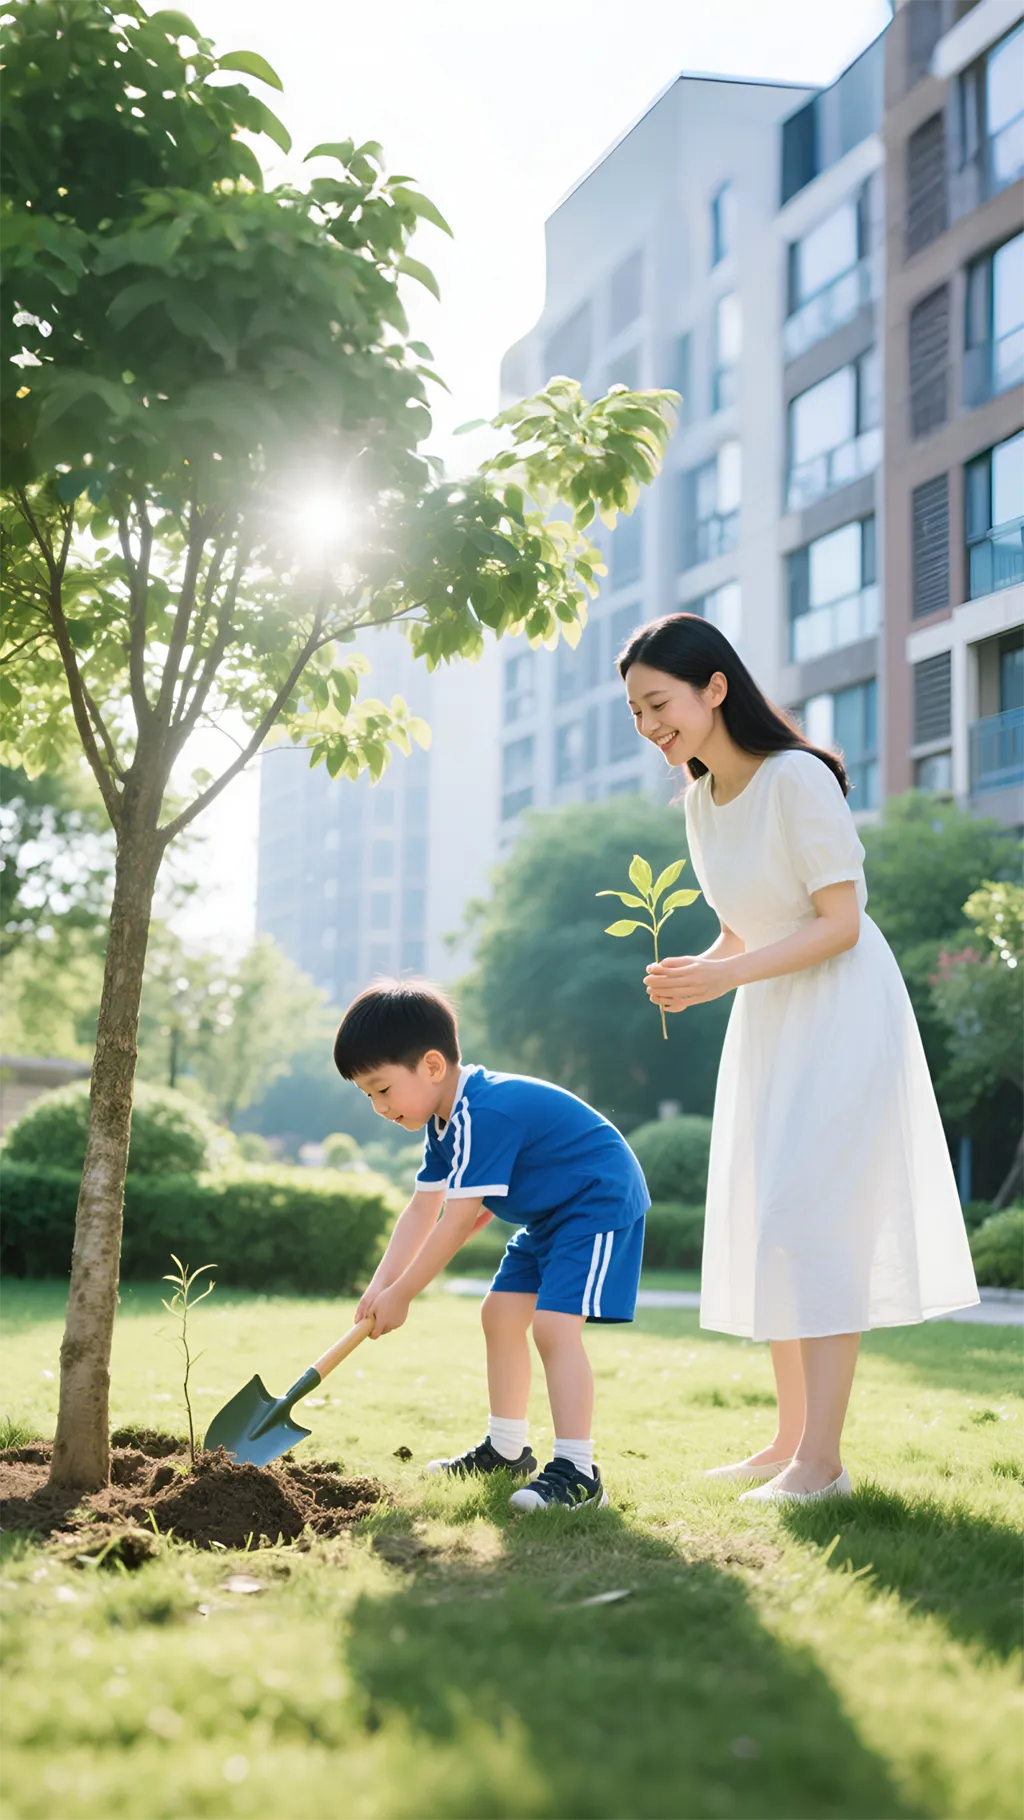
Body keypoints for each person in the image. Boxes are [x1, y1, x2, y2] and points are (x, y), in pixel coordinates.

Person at [619, 612, 979, 1505]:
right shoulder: (700, 802)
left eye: (658, 702)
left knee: (814, 1223)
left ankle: (824, 1464)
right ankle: (787, 1442)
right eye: (635, 712)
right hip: (772, 1015)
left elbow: (837, 922)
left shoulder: (797, 780)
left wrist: (727, 972)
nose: (649, 724)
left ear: (714, 688)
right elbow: (745, 923)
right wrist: (695, 971)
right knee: (774, 1224)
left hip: (843, 1008)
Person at [333, 980, 649, 1513]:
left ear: (432, 1066)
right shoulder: (443, 1124)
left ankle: (578, 1470)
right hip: (549, 1217)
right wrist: (380, 1286)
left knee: (553, 1326)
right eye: (367, 1094)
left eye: (383, 1089)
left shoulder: (484, 1111)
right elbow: (421, 1210)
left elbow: (455, 1222)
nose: (377, 1107)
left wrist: (405, 1294)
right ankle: (506, 1449)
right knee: (500, 1315)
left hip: (595, 1202)